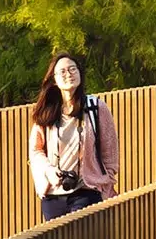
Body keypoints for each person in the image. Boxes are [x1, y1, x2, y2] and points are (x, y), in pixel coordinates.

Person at [29, 53, 120, 221]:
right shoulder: (47, 111)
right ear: (54, 80)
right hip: (53, 194)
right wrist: (49, 170)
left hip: (87, 190)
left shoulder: (96, 108)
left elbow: (110, 152)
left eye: (72, 69)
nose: (68, 74)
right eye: (62, 72)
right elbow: (36, 151)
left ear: (80, 74)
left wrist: (106, 185)